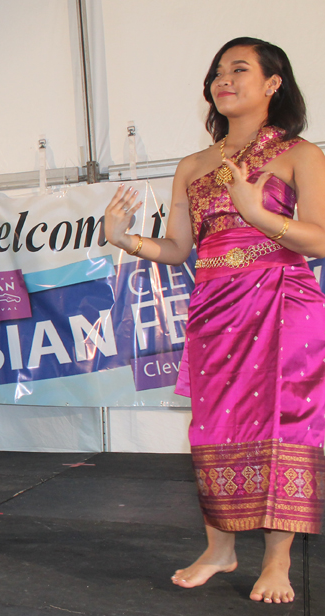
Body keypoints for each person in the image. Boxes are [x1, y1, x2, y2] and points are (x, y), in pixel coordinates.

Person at [104, 37, 325, 603]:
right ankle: (221, 547)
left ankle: (277, 561)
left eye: (239, 69)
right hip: (215, 306)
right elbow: (179, 248)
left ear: (274, 83)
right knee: (214, 425)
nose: (222, 80)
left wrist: (257, 214)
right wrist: (124, 239)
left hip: (284, 299)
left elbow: (321, 239)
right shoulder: (194, 166)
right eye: (217, 72)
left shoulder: (301, 153)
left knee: (285, 423)